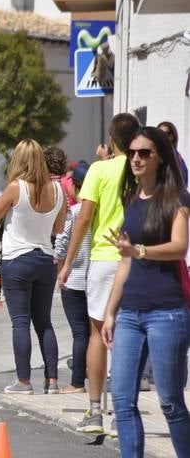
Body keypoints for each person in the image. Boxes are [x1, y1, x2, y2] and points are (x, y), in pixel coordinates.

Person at [102, 126, 190, 457]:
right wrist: (111, 311)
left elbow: (180, 247)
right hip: (130, 313)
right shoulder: (130, 200)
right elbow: (124, 263)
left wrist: (139, 250)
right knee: (123, 401)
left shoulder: (177, 200)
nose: (136, 159)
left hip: (166, 313)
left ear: (160, 157)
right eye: (132, 153)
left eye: (144, 153)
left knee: (169, 401)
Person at [57, 113, 140, 434]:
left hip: (104, 258)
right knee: (128, 336)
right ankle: (123, 412)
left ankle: (94, 411)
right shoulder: (141, 169)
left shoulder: (99, 170)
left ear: (112, 138)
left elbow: (83, 218)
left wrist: (66, 262)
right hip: (136, 258)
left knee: (97, 335)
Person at [0, 139, 66, 394]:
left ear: (19, 161)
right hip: (45, 259)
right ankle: (52, 381)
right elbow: (58, 228)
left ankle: (23, 381)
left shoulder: (16, 187)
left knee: (20, 322)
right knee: (44, 322)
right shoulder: (57, 190)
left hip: (17, 260)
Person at [54, 162, 91, 394]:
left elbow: (61, 246)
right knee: (96, 333)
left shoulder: (75, 213)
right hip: (97, 279)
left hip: (74, 279)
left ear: (76, 188)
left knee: (80, 333)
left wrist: (61, 268)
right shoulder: (103, 212)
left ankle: (77, 382)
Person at [157, 120, 188, 186]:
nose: (163, 136)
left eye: (167, 133)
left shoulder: (175, 157)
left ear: (173, 137)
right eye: (159, 133)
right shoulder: (157, 154)